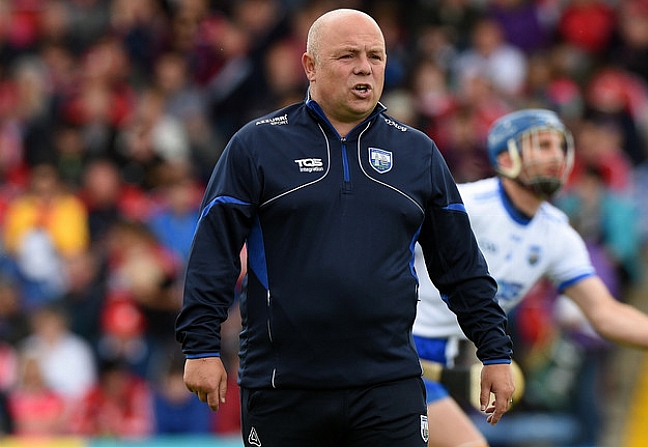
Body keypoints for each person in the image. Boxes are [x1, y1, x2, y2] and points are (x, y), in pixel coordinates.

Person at [174, 8, 515, 447]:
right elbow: (213, 252)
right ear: (310, 66)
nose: (364, 67)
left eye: (376, 56)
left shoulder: (419, 154)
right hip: (283, 386)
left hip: (388, 386)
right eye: (348, 55)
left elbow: (462, 267)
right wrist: (200, 346)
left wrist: (495, 351)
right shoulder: (256, 145)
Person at [411, 108, 648, 447]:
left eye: (561, 147)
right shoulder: (465, 203)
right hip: (392, 345)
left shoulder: (556, 234)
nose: (556, 156)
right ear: (505, 157)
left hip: (434, 362)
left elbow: (604, 312)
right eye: (543, 146)